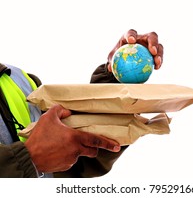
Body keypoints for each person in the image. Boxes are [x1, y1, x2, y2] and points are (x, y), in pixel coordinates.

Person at [0, 29, 163, 178]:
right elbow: (39, 157)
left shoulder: (17, 80)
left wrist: (115, 86)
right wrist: (28, 159)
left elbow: (73, 163)